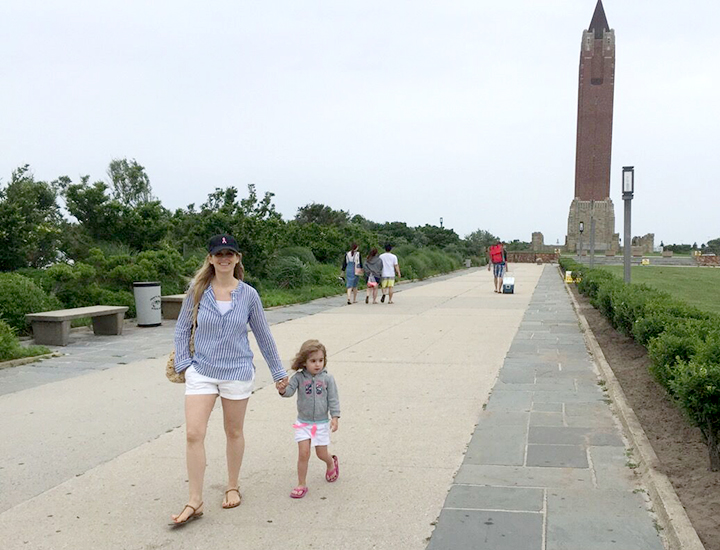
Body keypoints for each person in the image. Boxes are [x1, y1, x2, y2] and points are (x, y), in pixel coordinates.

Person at [170, 234, 289, 526]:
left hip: (237, 372)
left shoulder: (249, 294)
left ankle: (232, 485)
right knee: (193, 433)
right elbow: (182, 329)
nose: (224, 258)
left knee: (233, 432)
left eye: (229, 254)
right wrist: (186, 365)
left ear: (237, 258)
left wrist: (278, 373)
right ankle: (194, 500)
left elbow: (263, 336)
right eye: (218, 254)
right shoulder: (197, 291)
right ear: (210, 259)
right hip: (202, 371)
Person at [278, 339, 340, 499]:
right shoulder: (298, 378)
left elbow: (333, 399)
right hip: (303, 423)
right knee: (303, 453)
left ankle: (330, 462)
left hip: (321, 423)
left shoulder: (327, 379)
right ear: (304, 362)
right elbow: (289, 392)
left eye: (321, 360)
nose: (317, 364)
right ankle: (301, 484)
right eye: (313, 361)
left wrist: (335, 417)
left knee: (321, 453)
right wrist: (282, 389)